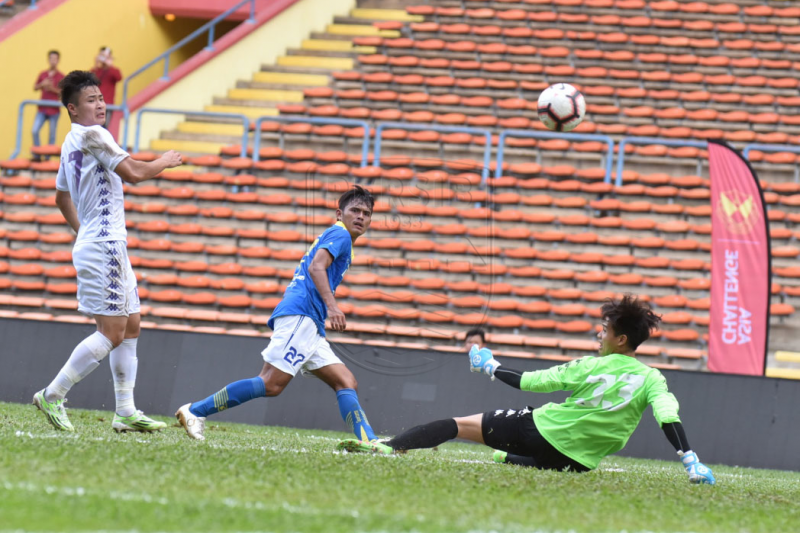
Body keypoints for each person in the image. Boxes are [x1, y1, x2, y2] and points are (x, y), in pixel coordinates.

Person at [339, 296, 716, 485]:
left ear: (620, 339)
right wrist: (690, 462)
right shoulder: (653, 379)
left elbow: (528, 382)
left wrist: (489, 366)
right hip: (580, 463)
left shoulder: (590, 365)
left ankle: (386, 446)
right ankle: (507, 458)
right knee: (547, 466)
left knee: (457, 425)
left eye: (604, 330)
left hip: (542, 431)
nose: (598, 334)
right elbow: (669, 418)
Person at [32, 71, 183, 433]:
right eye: (90, 100)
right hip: (105, 245)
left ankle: (125, 411)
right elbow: (132, 173)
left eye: (101, 98)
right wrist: (164, 161)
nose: (100, 104)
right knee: (113, 331)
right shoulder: (93, 135)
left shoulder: (70, 141)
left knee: (131, 323)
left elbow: (60, 196)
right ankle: (53, 395)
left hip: (103, 242)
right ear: (72, 108)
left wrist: (81, 231)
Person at [176, 186, 380, 442]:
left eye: (366, 213)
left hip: (310, 321)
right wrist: (332, 305)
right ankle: (195, 411)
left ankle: (368, 441)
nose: (361, 216)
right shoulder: (340, 235)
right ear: (340, 214)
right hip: (302, 315)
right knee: (271, 383)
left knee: (346, 381)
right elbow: (317, 267)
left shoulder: (339, 237)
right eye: (355, 210)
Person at [32, 50, 65, 154]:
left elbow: (63, 93)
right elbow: (35, 87)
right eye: (51, 58)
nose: (53, 61)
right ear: (48, 59)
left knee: (51, 135)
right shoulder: (43, 74)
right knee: (35, 130)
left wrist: (52, 89)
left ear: (58, 60)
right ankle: (37, 155)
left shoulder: (61, 76)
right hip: (42, 109)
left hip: (54, 110)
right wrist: (42, 84)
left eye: (55, 59)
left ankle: (47, 158)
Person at [90, 47, 122, 127]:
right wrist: (96, 65)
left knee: (104, 128)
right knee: (93, 127)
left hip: (107, 105)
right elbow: (90, 80)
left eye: (106, 56)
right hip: (95, 104)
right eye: (102, 55)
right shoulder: (96, 70)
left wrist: (109, 64)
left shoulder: (113, 70)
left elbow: (119, 77)